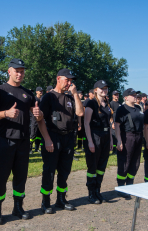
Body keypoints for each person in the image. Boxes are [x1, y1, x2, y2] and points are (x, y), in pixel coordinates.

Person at [0, 58, 43, 225]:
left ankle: (18, 207)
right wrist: (5, 114)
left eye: (22, 71)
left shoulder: (28, 94)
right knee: (1, 177)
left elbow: (38, 115)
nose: (20, 73)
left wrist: (39, 114)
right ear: (9, 71)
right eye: (16, 70)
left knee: (21, 177)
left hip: (23, 142)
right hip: (5, 140)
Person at [37, 68, 84, 214]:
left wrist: (75, 94)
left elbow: (80, 112)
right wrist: (47, 139)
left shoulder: (70, 97)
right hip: (53, 137)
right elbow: (40, 119)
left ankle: (61, 199)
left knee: (65, 171)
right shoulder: (48, 97)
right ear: (58, 79)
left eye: (71, 81)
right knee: (49, 171)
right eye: (67, 80)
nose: (69, 83)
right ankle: (45, 201)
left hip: (68, 138)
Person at [84, 80, 113, 204]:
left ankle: (98, 191)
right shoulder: (91, 103)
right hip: (95, 136)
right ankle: (91, 193)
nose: (104, 90)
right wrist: (90, 141)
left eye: (106, 88)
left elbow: (108, 123)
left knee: (101, 167)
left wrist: (111, 139)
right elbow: (86, 123)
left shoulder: (107, 104)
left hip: (106, 136)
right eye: (102, 88)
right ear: (95, 90)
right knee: (93, 167)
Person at [115, 88, 144, 199]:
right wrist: (119, 140)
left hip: (138, 136)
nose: (135, 96)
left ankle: (130, 185)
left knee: (135, 162)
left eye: (135, 94)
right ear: (126, 97)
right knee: (125, 161)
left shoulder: (138, 107)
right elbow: (117, 125)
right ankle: (122, 187)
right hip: (127, 136)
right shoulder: (122, 109)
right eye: (132, 95)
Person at [30, 86, 43, 154]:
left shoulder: (42, 99)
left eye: (42, 91)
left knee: (39, 135)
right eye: (40, 91)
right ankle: (29, 148)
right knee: (33, 134)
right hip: (34, 119)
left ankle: (37, 148)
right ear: (36, 92)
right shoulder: (34, 99)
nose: (41, 92)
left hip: (40, 120)